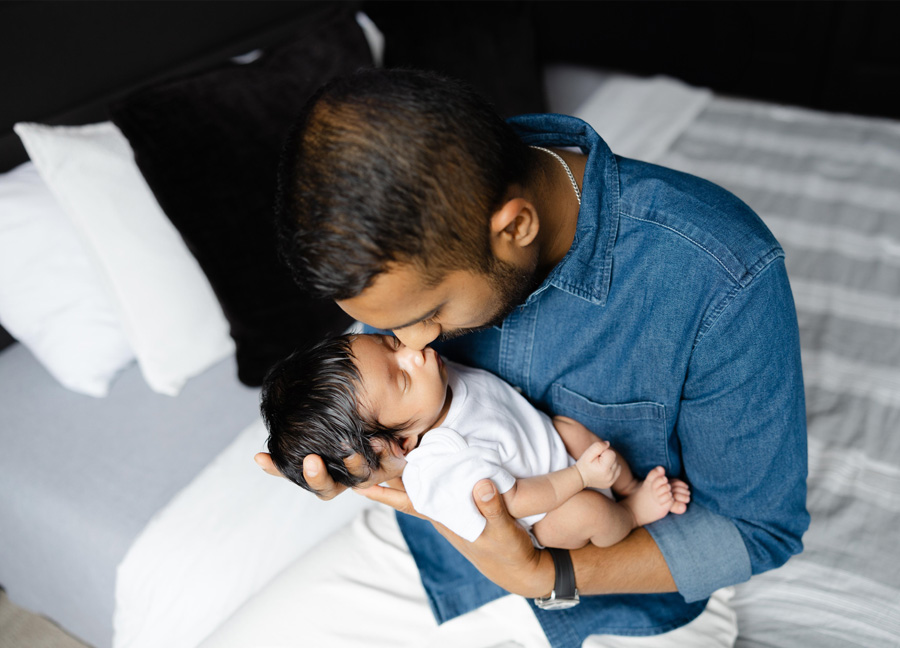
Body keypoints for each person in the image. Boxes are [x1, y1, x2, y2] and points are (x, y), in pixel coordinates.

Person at [253, 67, 809, 646]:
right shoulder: (404, 250)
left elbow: (757, 531)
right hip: (437, 559)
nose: (417, 343)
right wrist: (363, 460)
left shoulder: (717, 273)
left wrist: (542, 574)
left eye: (428, 315)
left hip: (621, 598)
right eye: (391, 330)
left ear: (515, 226)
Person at [262, 333, 691, 550]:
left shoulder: (427, 390)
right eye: (403, 375)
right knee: (590, 511)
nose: (415, 353)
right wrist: (580, 476)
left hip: (548, 446)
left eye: (391, 343)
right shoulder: (441, 465)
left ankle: (629, 485)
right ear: (403, 444)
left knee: (570, 429)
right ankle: (631, 513)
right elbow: (514, 501)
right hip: (545, 510)